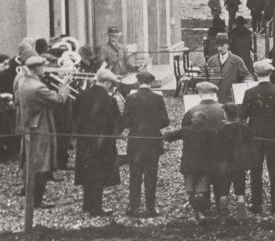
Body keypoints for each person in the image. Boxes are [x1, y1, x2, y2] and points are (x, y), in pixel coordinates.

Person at [17, 56, 71, 209]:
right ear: (36, 68)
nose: (45, 69)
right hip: (39, 128)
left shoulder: (23, 81)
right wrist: (65, 84)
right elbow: (60, 99)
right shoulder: (37, 87)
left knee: (31, 163)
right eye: (43, 66)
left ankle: (31, 198)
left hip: (29, 126)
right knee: (41, 164)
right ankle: (37, 200)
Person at [240, 59, 275, 214]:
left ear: (255, 74)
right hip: (274, 135)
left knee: (256, 170)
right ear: (270, 73)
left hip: (255, 135)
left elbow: (243, 114)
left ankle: (256, 204)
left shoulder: (249, 93)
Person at [73, 69, 121, 216]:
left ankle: (87, 204)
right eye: (110, 84)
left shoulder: (82, 96)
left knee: (88, 173)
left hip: (84, 142)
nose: (110, 87)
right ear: (106, 82)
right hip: (102, 144)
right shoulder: (109, 101)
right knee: (99, 174)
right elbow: (117, 123)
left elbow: (74, 117)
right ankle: (96, 207)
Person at [121, 71, 169, 217]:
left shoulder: (130, 98)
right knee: (151, 174)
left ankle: (133, 207)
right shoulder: (158, 98)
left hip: (135, 141)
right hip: (153, 141)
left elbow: (125, 121)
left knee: (135, 174)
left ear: (137, 81)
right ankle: (151, 207)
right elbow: (165, 121)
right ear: (151, 82)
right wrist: (152, 126)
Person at [181, 81, 225, 212]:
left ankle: (203, 207)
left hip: (198, 154)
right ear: (214, 93)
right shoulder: (223, 109)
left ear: (199, 94)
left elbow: (184, 130)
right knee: (219, 180)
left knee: (200, 181)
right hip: (219, 151)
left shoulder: (191, 111)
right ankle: (220, 205)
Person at [164, 112, 213, 221]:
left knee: (190, 190)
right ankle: (201, 211)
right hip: (203, 166)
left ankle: (197, 211)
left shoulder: (185, 131)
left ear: (192, 120)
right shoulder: (209, 132)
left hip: (189, 166)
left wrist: (163, 135)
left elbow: (169, 137)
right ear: (204, 121)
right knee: (201, 190)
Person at [214, 103, 255, 219]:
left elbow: (215, 148)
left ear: (226, 114)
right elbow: (249, 147)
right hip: (239, 164)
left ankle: (223, 217)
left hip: (224, 164)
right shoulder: (244, 128)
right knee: (240, 191)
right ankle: (242, 217)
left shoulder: (220, 129)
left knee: (223, 192)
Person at [205, 32, 253, 103]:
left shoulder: (237, 60)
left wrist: (240, 87)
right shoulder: (211, 60)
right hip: (214, 98)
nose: (220, 48)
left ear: (228, 45)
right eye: (218, 46)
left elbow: (247, 76)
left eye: (222, 45)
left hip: (230, 98)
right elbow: (204, 76)